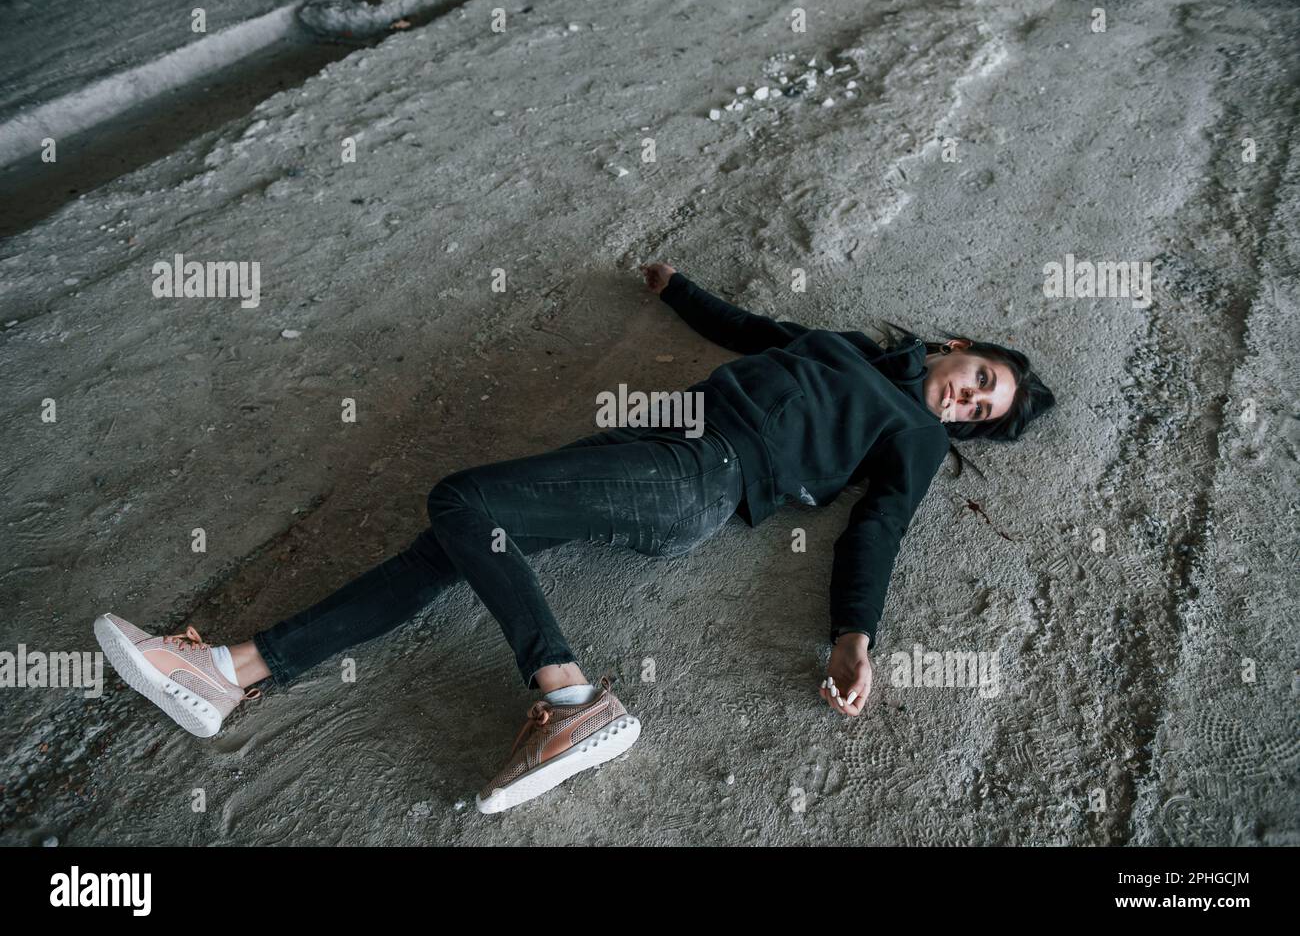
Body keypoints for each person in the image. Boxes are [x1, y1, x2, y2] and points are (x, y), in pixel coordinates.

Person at [94, 262, 1055, 813]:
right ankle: (232, 671)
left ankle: (571, 698)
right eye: (979, 378)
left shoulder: (915, 437)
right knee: (452, 545)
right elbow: (751, 327)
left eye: (982, 412)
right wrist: (677, 286)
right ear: (959, 347)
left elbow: (877, 530)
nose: (967, 400)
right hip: (653, 442)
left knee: (462, 502)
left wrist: (855, 636)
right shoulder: (844, 349)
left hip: (702, 476)